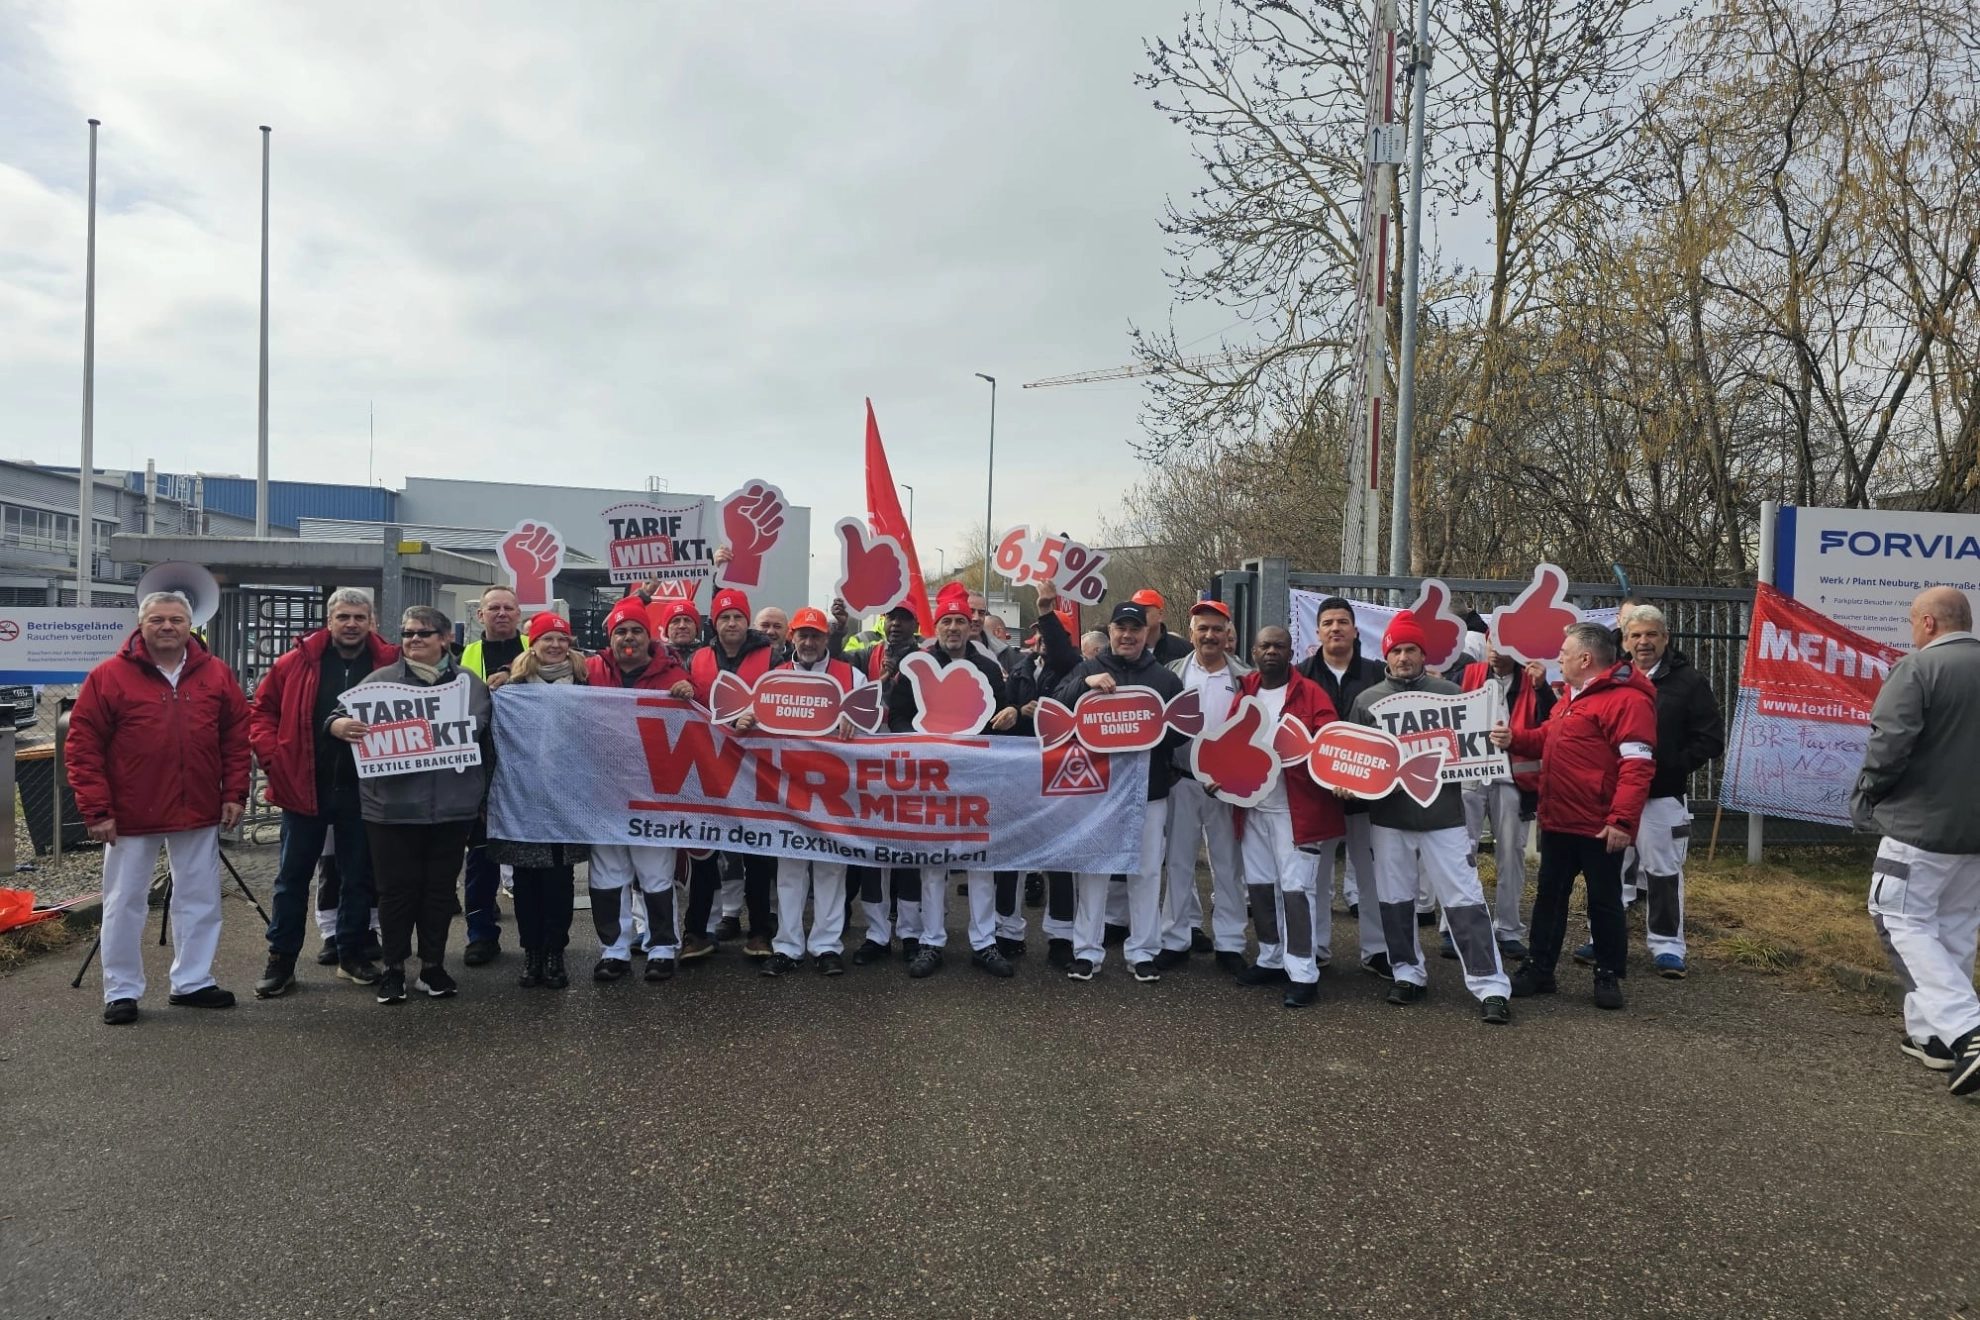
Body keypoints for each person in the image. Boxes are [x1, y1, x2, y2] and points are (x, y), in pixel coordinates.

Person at [69, 591, 251, 1025]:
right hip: (131, 812)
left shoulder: (216, 674)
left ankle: (192, 981)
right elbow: (83, 747)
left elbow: (235, 737)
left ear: (191, 624)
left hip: (199, 807)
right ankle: (121, 991)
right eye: (157, 619)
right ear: (141, 624)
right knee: (124, 901)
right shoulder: (108, 676)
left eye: (175, 619)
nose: (166, 626)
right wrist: (97, 809)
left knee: (200, 898)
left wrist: (234, 793)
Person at [1349, 612, 1512, 1023]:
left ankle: (1490, 983)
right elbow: (1355, 761)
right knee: (1394, 899)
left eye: (1411, 649)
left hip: (1444, 818)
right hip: (1389, 819)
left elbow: (1474, 753)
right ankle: (1407, 972)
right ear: (1386, 653)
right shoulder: (1367, 701)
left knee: (1465, 899)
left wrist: (1496, 741)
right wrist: (1345, 782)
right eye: (1397, 649)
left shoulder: (1451, 693)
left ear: (1423, 653)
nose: (1404, 657)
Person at [329, 605, 494, 1006]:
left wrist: (478, 797)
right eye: (407, 634)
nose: (413, 640)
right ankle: (394, 968)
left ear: (445, 638)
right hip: (391, 808)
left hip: (451, 809)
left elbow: (481, 737)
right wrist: (336, 725)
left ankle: (433, 966)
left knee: (438, 892)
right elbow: (338, 714)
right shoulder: (378, 682)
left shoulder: (470, 684)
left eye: (423, 633)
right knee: (395, 893)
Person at [1852, 586, 1980, 1095]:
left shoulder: (1920, 669)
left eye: (1911, 622)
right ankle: (1932, 1037)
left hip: (1919, 826)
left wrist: (1868, 794)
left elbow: (1889, 743)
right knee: (1955, 925)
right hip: (1973, 832)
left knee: (1898, 918)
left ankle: (1968, 1029)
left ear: (1927, 624)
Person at [1494, 622, 1657, 1011]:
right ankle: (1540, 969)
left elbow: (1638, 767)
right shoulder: (1572, 696)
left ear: (1585, 659)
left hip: (1599, 824)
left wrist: (1621, 821)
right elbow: (1548, 736)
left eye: (1564, 653)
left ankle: (1608, 974)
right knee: (1550, 897)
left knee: (1604, 902)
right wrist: (1514, 738)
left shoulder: (1627, 701)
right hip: (1559, 817)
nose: (1559, 660)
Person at [249, 587, 398, 996]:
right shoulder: (294, 663)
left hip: (364, 789)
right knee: (291, 879)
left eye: (359, 617)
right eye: (344, 617)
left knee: (358, 877)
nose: (351, 624)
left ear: (372, 622)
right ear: (329, 620)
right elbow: (262, 712)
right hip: (303, 785)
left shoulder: (390, 661)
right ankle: (282, 959)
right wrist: (273, 757)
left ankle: (351, 953)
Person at [885, 583, 1021, 979]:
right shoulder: (915, 664)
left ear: (971, 627)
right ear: (937, 626)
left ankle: (984, 942)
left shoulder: (988, 668)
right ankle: (931, 940)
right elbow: (897, 718)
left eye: (961, 621)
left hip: (976, 777)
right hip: (932, 777)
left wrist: (1011, 712)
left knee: (980, 860)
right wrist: (928, 740)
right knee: (932, 861)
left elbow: (1002, 718)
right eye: (947, 621)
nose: (954, 628)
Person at [1055, 600, 1189, 982]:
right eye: (1120, 628)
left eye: (1135, 628)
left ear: (1146, 633)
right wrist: (1085, 685)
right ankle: (1086, 952)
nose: (1127, 635)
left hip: (1149, 791)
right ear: (1110, 632)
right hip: (1099, 790)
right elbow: (1058, 709)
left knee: (1146, 872)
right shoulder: (1089, 668)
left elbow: (1180, 733)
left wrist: (1151, 726)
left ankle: (1143, 952)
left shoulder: (1164, 678)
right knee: (1094, 869)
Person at [1589, 604, 1722, 979]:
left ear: (1665, 638)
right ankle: (1601, 939)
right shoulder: (1611, 679)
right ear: (1624, 641)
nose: (1643, 642)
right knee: (1609, 871)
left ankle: (1667, 947)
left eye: (1651, 634)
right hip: (1614, 795)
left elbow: (1710, 739)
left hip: (1662, 797)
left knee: (1662, 872)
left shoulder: (1689, 682)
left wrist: (1670, 765)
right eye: (1636, 635)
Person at [1227, 626, 1344, 1007]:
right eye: (1265, 645)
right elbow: (1228, 743)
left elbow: (1331, 742)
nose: (1272, 651)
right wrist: (1219, 775)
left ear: (1291, 651)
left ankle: (1302, 972)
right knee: (1260, 887)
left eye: (1279, 645)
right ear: (1254, 650)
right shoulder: (1245, 692)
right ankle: (1271, 957)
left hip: (1298, 810)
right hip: (1253, 808)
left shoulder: (1311, 693)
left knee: (1297, 892)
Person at [750, 607, 865, 977]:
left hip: (835, 789)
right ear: (792, 637)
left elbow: (874, 719)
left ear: (827, 638)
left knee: (832, 869)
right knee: (789, 869)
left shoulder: (852, 675)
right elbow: (756, 726)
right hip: (788, 789)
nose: (809, 642)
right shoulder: (774, 679)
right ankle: (787, 946)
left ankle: (827, 946)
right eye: (803, 635)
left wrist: (856, 719)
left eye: (816, 635)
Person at [585, 596, 694, 981]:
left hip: (654, 793)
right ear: (609, 637)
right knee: (607, 875)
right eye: (620, 631)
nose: (628, 638)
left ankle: (662, 947)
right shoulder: (590, 670)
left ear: (650, 637)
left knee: (655, 874)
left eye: (635, 630)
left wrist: (689, 691)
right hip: (604, 792)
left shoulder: (672, 676)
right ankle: (614, 950)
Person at [489, 612, 592, 989]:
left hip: (565, 801)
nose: (554, 646)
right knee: (526, 883)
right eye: (546, 639)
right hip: (522, 800)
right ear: (532, 644)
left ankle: (554, 952)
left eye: (561, 639)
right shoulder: (511, 687)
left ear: (570, 644)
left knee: (558, 882)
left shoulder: (586, 683)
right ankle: (531, 952)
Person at [1298, 596, 1391, 977]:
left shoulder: (1378, 675)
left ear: (1355, 630)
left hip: (1367, 795)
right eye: (1327, 623)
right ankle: (1316, 947)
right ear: (1317, 632)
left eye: (1342, 622)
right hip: (1315, 792)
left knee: (1371, 876)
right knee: (1315, 877)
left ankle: (1378, 950)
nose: (1335, 628)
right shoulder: (1300, 675)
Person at [1161, 599, 1253, 973]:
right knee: (1179, 863)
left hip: (1227, 787)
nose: (1210, 635)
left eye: (1217, 628)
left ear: (1228, 633)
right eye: (1203, 628)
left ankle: (1231, 943)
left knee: (1228, 867)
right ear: (1191, 632)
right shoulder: (1172, 674)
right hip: (1182, 780)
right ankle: (1175, 938)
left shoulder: (1246, 678)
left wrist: (1235, 771)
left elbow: (1255, 731)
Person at [690, 588, 779, 954]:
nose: (731, 623)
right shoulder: (696, 659)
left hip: (757, 769)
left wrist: (763, 713)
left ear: (747, 621)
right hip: (709, 768)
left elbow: (786, 700)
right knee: (706, 852)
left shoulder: (773, 657)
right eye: (724, 617)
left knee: (758, 852)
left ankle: (760, 930)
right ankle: (697, 931)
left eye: (738, 617)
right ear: (715, 623)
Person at [1458, 640, 1557, 962]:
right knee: (1460, 852)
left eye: (1502, 643)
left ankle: (1508, 929)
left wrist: (1543, 690)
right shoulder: (1468, 673)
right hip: (1471, 775)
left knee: (1511, 855)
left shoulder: (1534, 679)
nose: (1495, 650)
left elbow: (1552, 724)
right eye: (1490, 641)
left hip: (1514, 780)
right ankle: (1455, 927)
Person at [1008, 578, 1086, 965]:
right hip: (1019, 772)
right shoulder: (1018, 669)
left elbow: (1062, 663)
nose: (1041, 639)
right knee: (1011, 851)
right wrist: (1011, 714)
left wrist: (1045, 608)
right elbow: (999, 715)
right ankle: (1008, 931)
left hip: (1058, 770)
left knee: (1059, 857)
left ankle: (1060, 936)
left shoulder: (1073, 666)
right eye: (1038, 633)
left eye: (1048, 634)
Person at [852, 601, 928, 966]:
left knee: (908, 852)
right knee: (872, 852)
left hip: (908, 763)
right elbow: (843, 690)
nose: (896, 624)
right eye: (891, 617)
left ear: (915, 624)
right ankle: (876, 934)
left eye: (904, 618)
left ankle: (911, 933)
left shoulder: (926, 659)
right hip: (867, 765)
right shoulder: (866, 653)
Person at [457, 585, 527, 965]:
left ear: (519, 614)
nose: (501, 614)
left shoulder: (539, 646)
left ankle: (537, 939)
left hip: (530, 771)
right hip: (482, 770)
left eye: (508, 608)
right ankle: (480, 934)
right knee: (481, 859)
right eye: (493, 608)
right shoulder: (465, 656)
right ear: (480, 616)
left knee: (530, 859)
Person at [1132, 589, 1193, 664]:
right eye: (1135, 611)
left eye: (1144, 611)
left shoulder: (1183, 650)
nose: (1138, 616)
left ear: (1160, 614)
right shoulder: (1125, 648)